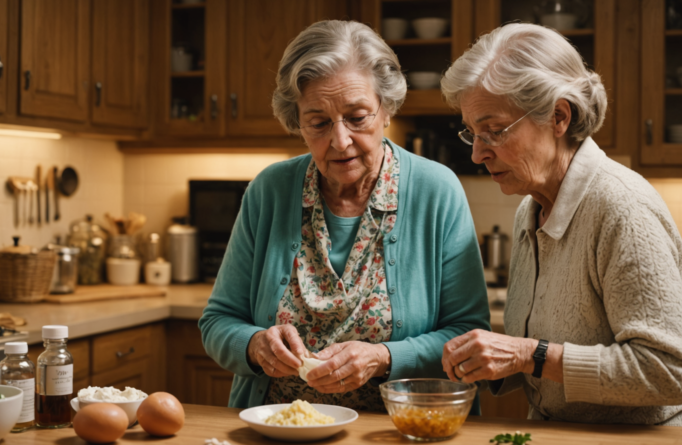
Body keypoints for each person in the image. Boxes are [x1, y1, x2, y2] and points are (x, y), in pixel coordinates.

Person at [199, 20, 490, 412]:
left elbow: (469, 336)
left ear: (386, 109)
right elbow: (218, 321)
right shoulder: (269, 191)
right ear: (296, 122)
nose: (340, 141)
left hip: (401, 430)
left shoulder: (436, 190)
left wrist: (384, 358)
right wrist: (253, 346)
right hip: (281, 427)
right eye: (318, 122)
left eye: (357, 117)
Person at [439, 23, 682, 428]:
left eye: (494, 131)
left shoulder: (621, 207)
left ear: (558, 116)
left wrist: (530, 356)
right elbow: (543, 345)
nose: (477, 154)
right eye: (471, 133)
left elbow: (669, 372)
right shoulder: (531, 207)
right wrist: (486, 359)